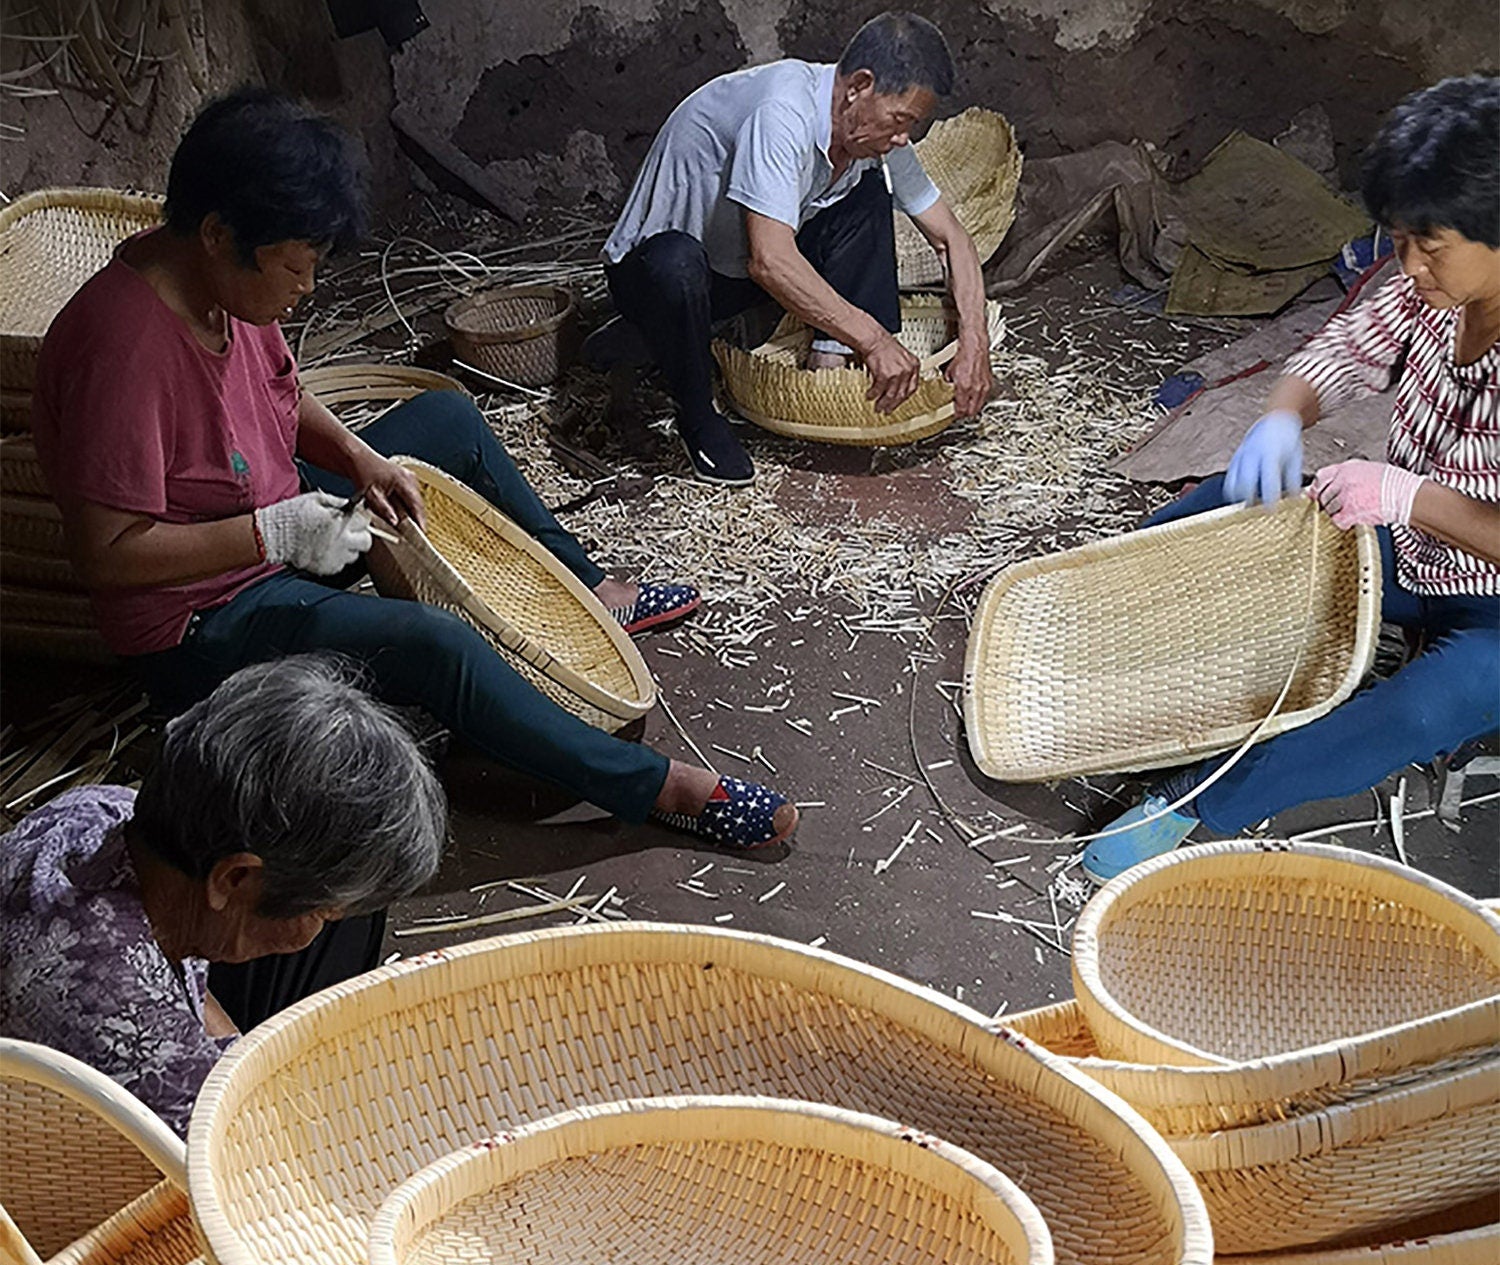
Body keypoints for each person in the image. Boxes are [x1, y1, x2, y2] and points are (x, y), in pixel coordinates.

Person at [32, 88, 796, 853]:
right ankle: (653, 786)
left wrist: (362, 461)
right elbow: (111, 553)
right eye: (295, 270)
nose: (304, 293)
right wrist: (273, 533)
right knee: (433, 643)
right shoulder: (121, 350)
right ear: (216, 233)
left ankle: (592, 590)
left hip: (285, 525)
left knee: (449, 421)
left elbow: (284, 397)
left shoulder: (224, 288)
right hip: (203, 618)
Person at [1084, 75, 1499, 883]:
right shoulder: (1431, 288)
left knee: (1415, 712)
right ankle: (1103, 634)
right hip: (1411, 545)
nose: (1410, 265)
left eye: (1432, 245)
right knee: (1230, 505)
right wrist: (1282, 414)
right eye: (1401, 240)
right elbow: (1344, 349)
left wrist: (1411, 495)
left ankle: (1199, 802)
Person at [0, 658, 447, 1137]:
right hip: (80, 1156)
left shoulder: (103, 809)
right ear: (233, 879)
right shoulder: (145, 1049)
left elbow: (184, 978)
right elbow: (254, 1166)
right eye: (322, 910)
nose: (327, 918)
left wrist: (231, 1048)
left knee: (352, 907)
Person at [594, 12, 995, 486]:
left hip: (734, 272)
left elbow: (952, 238)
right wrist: (873, 339)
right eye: (901, 119)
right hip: (660, 274)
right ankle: (697, 414)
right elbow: (769, 260)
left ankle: (827, 364)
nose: (904, 136)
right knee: (677, 264)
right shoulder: (782, 112)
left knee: (868, 190)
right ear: (859, 86)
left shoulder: (873, 133)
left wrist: (975, 343)